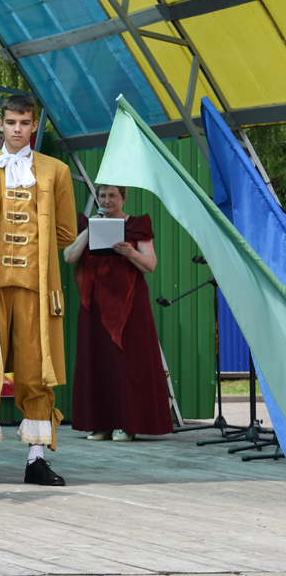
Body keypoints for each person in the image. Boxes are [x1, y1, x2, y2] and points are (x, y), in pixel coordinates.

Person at [0, 93, 76, 487]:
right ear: (1, 124)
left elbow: (66, 232)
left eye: (24, 123)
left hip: (37, 290)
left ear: (34, 125)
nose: (17, 129)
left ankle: (36, 459)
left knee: (37, 372)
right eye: (10, 122)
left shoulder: (56, 171)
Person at [64, 184, 171, 441]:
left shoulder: (135, 226)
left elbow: (150, 264)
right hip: (95, 306)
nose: (107, 200)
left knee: (128, 363)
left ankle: (128, 424)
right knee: (98, 361)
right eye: (102, 195)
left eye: (113, 195)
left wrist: (130, 252)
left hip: (129, 305)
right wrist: (90, 230)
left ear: (123, 198)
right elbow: (69, 257)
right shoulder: (89, 225)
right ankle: (102, 424)